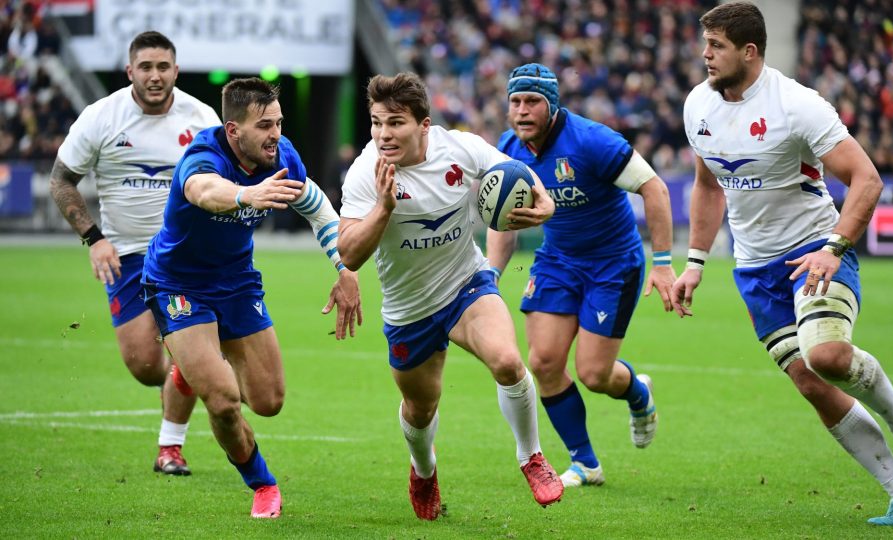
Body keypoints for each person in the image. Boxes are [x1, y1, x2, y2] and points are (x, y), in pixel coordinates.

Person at [671, 2, 893, 526]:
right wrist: (696, 262)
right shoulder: (697, 106)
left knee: (830, 357)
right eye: (705, 44)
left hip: (815, 250)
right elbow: (708, 187)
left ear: (749, 52)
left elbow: (866, 179)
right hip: (754, 270)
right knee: (810, 382)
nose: (705, 55)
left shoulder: (797, 105)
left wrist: (833, 246)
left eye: (717, 46)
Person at [337, 72, 563, 520]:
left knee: (507, 361)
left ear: (423, 125)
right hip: (409, 308)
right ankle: (424, 471)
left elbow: (520, 176)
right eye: (377, 123)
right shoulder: (367, 172)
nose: (384, 134)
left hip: (466, 283)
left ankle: (531, 456)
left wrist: (546, 205)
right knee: (420, 409)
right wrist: (383, 208)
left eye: (396, 123)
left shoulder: (460, 148)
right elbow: (350, 253)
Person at [142, 77, 362, 518]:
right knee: (223, 400)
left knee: (269, 401)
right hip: (177, 284)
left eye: (278, 123)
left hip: (238, 282)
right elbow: (201, 191)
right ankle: (262, 484)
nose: (276, 134)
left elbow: (315, 203)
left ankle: (190, 370)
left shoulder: (281, 156)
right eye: (264, 125)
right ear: (232, 130)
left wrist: (344, 268)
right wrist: (247, 194)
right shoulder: (203, 155)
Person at [486, 63, 677, 488]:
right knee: (543, 362)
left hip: (613, 265)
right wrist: (490, 275)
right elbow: (502, 220)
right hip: (558, 262)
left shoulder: (593, 141)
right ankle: (585, 463)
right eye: (515, 101)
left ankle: (637, 394)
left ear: (552, 106)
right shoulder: (508, 149)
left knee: (594, 375)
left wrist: (663, 262)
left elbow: (656, 189)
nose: (521, 111)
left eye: (532, 101)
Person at [50, 31, 219, 476]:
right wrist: (94, 237)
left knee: (184, 351)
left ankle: (171, 447)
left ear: (176, 71)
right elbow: (61, 180)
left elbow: (224, 182)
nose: (155, 75)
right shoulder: (101, 117)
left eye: (163, 67)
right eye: (145, 67)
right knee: (146, 365)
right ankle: (193, 368)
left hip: (184, 255)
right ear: (130, 72)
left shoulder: (201, 119)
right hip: (125, 256)